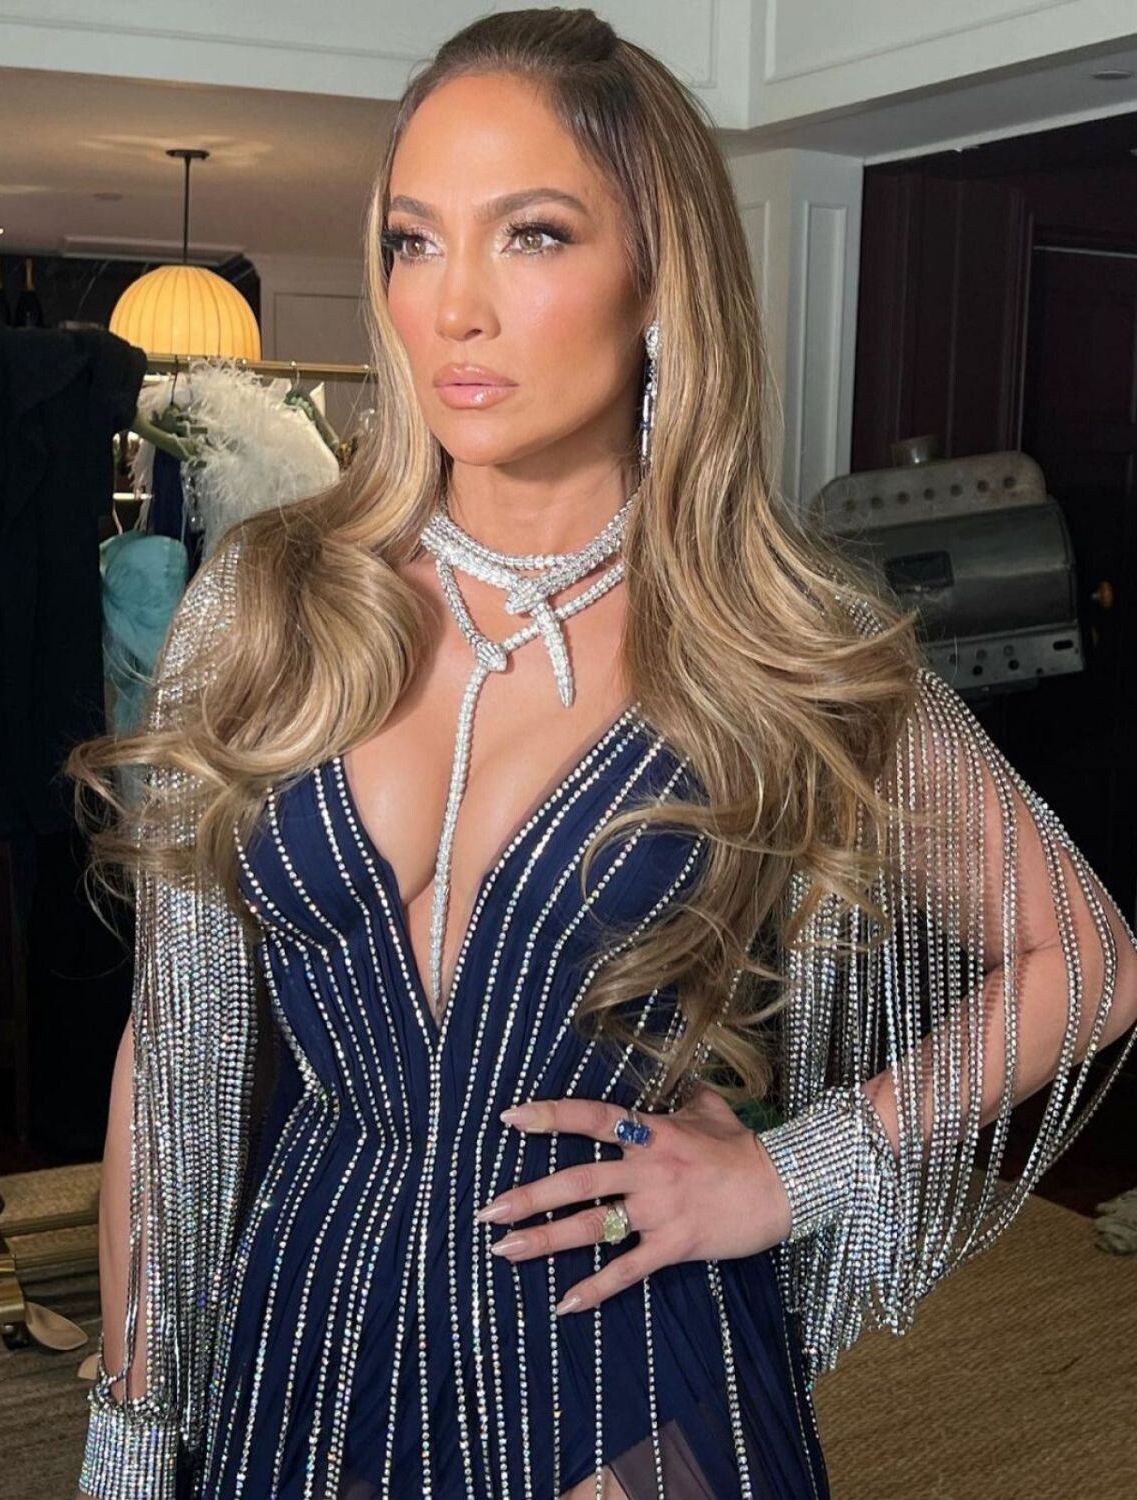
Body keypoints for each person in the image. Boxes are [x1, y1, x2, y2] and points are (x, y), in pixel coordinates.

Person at [69, 9, 1137, 1499]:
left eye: (533, 235)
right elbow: (172, 1043)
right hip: (314, 1328)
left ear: (658, 276)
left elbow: (1083, 958)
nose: (454, 308)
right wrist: (133, 1410)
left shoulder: (772, 638)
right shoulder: (268, 602)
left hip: (620, 1349)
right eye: (414, 242)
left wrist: (793, 1171)